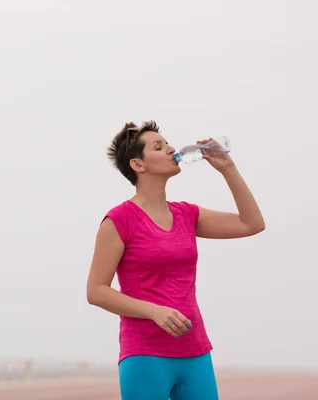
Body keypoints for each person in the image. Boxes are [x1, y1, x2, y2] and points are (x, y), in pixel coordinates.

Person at [86, 121, 265, 400]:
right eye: (158, 147)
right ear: (138, 164)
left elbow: (251, 224)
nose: (171, 149)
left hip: (195, 351)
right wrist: (155, 311)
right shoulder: (119, 220)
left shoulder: (186, 215)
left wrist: (227, 168)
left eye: (167, 143)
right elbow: (96, 291)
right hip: (146, 354)